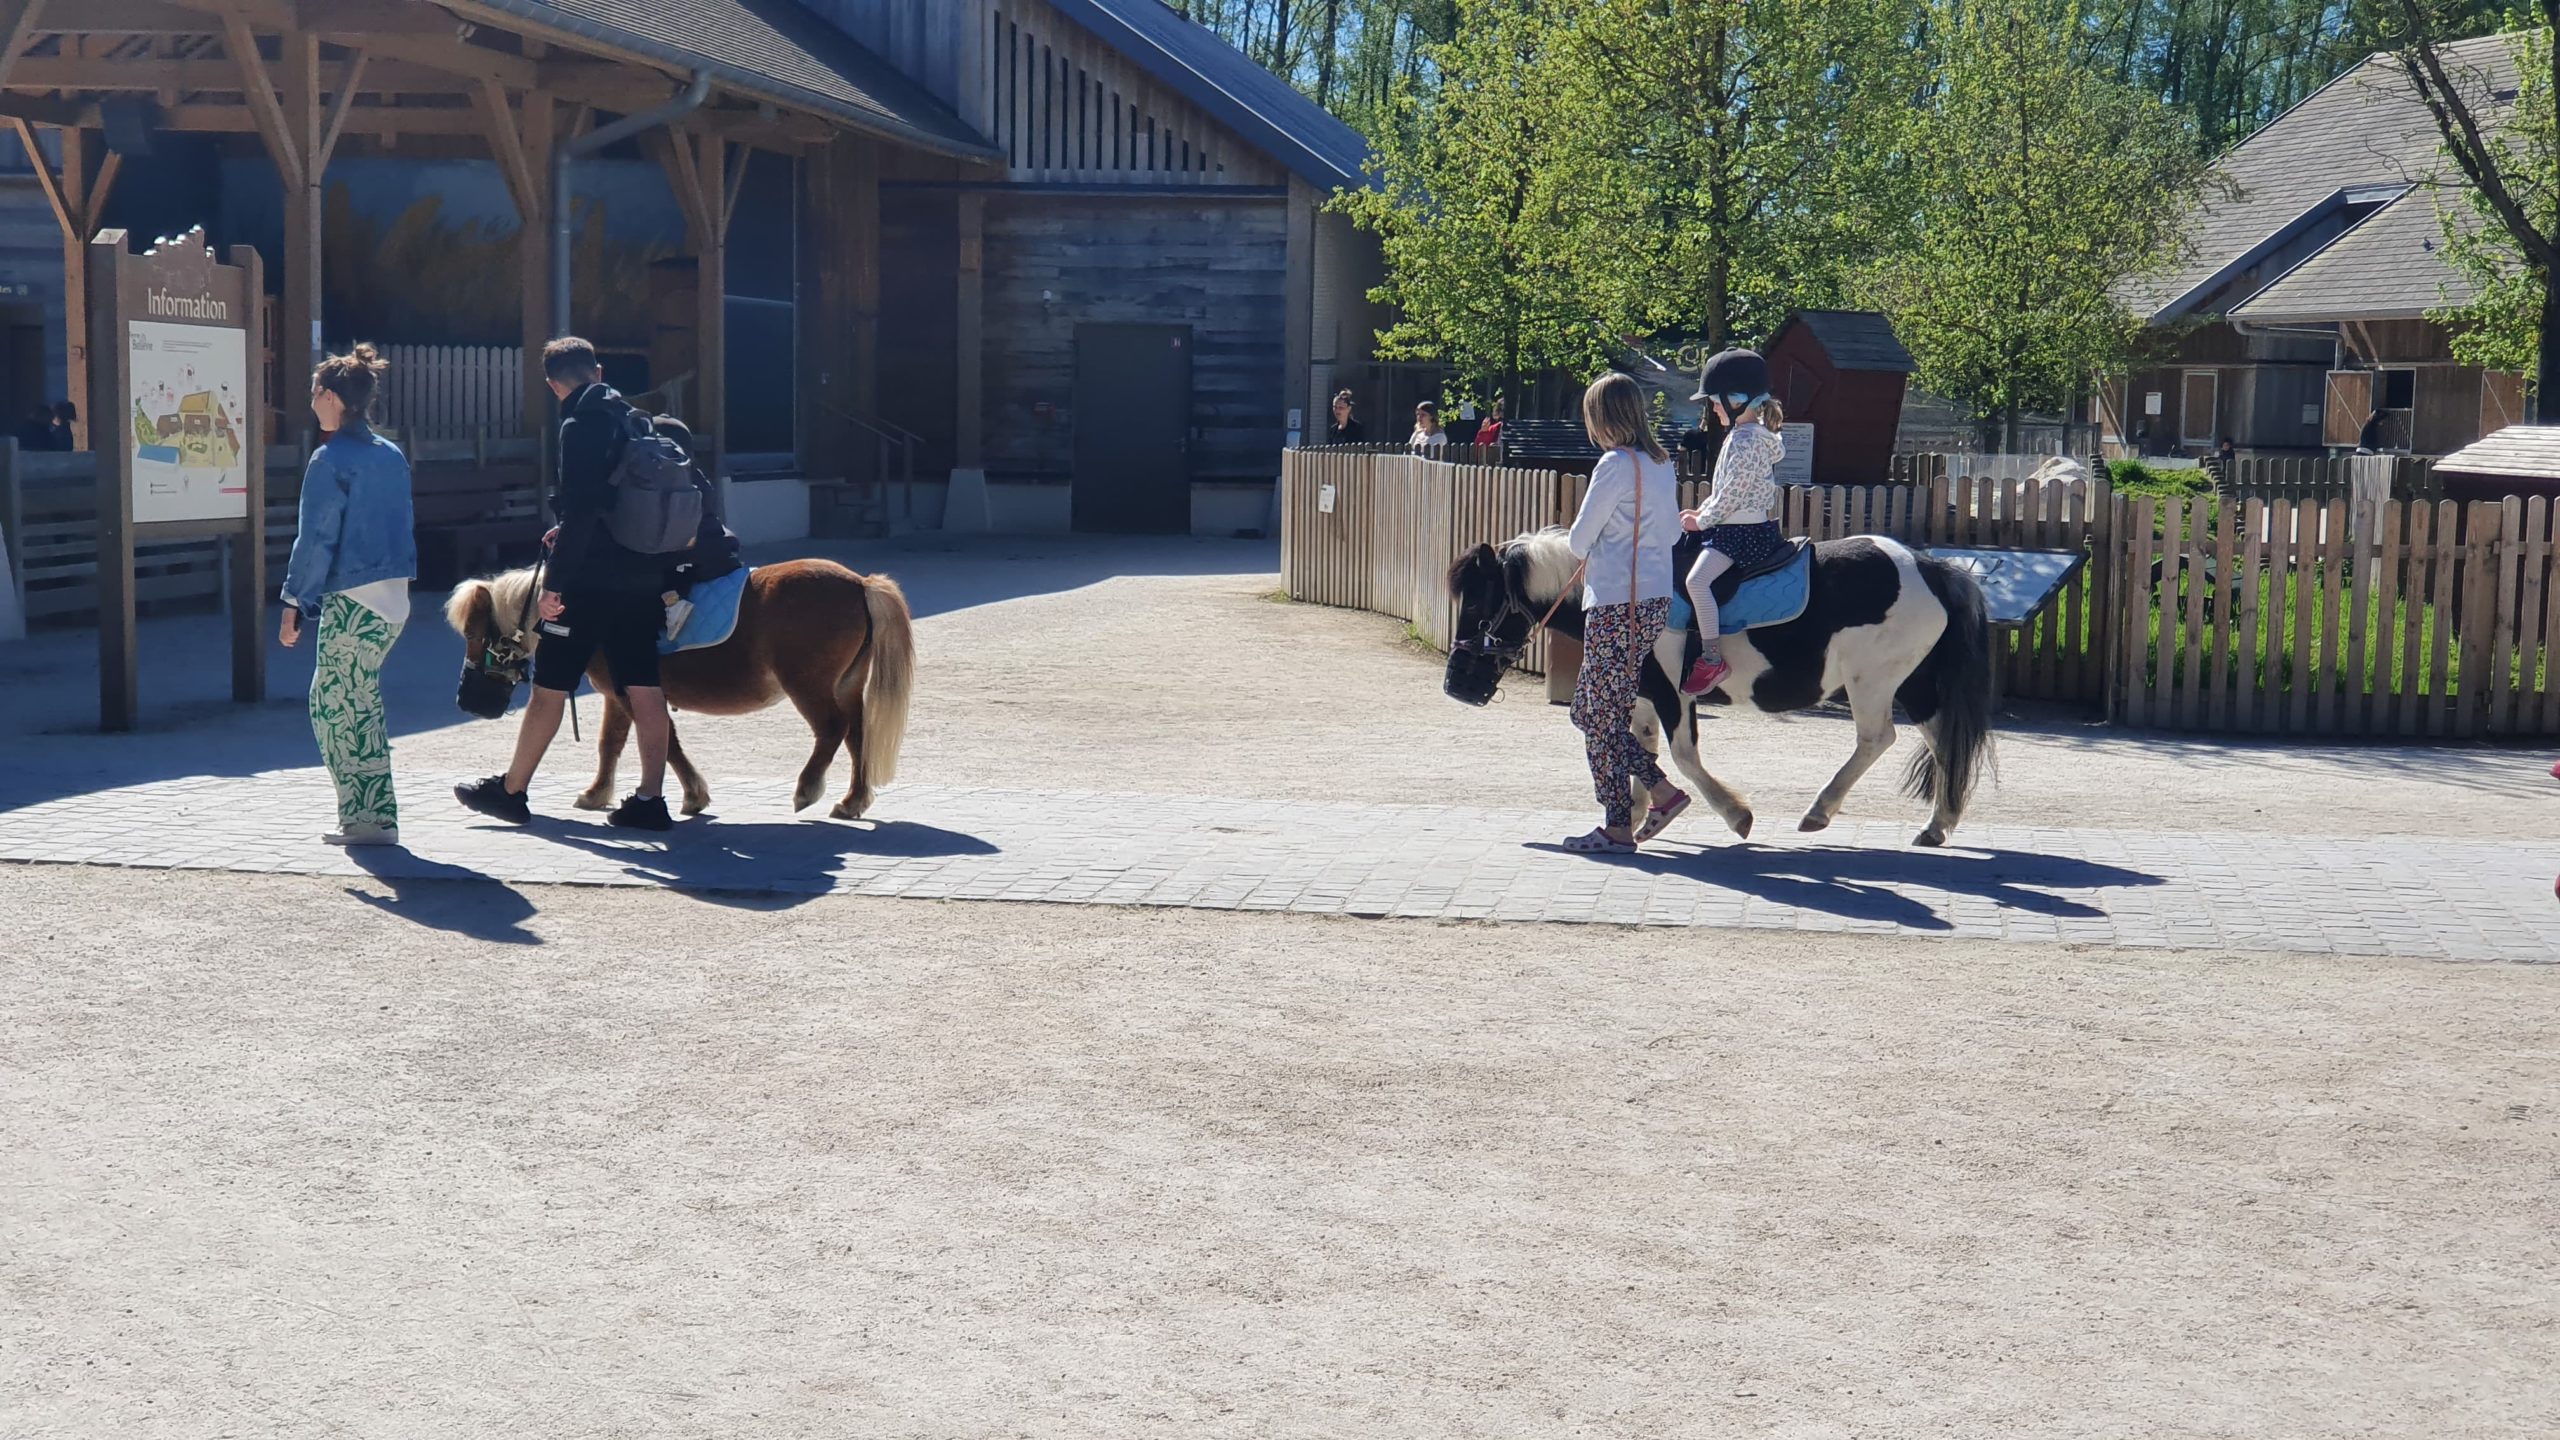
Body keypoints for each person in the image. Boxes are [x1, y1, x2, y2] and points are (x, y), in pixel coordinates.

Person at [454, 336, 677, 832]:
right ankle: (650, 799)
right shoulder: (633, 419)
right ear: (597, 370)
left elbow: (582, 508)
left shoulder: (579, 425)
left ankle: (511, 792)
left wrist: (555, 585)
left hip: (589, 581)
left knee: (549, 688)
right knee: (644, 686)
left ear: (554, 384)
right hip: (643, 574)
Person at [277, 344, 415, 846]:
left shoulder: (329, 458)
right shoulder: (390, 454)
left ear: (331, 397)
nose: (312, 399)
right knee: (359, 702)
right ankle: (375, 816)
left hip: (352, 599)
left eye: (316, 391)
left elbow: (316, 538)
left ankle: (366, 820)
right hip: (393, 598)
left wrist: (295, 602)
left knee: (336, 708)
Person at [1558, 372, 1688, 854]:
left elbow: (1576, 540)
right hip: (1653, 600)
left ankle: (1629, 815)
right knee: (1596, 714)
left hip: (1615, 603)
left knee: (1594, 717)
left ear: (1603, 419)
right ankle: (1645, 801)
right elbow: (1674, 535)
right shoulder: (1660, 463)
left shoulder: (1613, 466)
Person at [1679, 348, 1788, 698]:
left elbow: (1733, 496)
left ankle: (1712, 657)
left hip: (1742, 533)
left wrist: (1704, 521)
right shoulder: (1743, 437)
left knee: (1696, 582)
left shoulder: (1746, 443)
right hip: (1733, 525)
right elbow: (1723, 490)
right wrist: (1701, 512)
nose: (1712, 408)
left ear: (1736, 400)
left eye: (1715, 402)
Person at [646, 415, 741, 638]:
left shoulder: (665, 482)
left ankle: (672, 606)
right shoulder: (694, 474)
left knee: (651, 571)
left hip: (693, 550)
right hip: (718, 543)